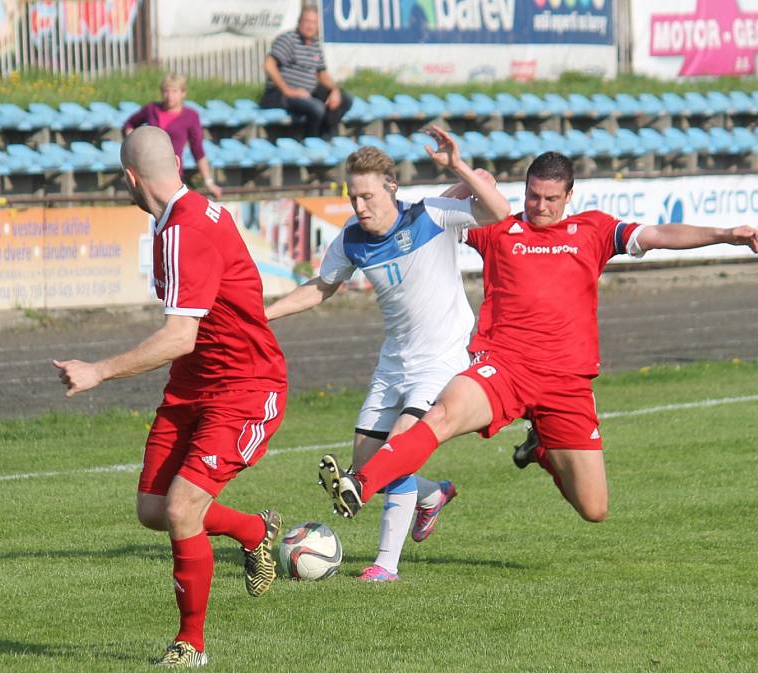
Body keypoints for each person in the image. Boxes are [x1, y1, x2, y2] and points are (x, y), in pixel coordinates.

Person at [318, 151, 758, 525]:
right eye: (533, 195)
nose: (541, 206)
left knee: (594, 509)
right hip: (503, 369)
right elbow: (424, 221)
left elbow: (660, 233)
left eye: (552, 198)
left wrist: (725, 235)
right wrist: (458, 171)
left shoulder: (593, 230)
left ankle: (542, 451)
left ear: (569, 196)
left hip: (566, 383)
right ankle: (362, 483)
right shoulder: (499, 228)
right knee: (443, 414)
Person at [53, 126, 286, 667]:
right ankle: (255, 530)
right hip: (192, 387)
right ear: (176, 163)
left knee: (183, 508)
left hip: (245, 388)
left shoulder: (184, 228)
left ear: (131, 179)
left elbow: (180, 335)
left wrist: (98, 371)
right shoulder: (179, 220)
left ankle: (191, 644)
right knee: (154, 510)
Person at [266, 128, 510, 581]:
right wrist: (265, 315)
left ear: (391, 188)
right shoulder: (351, 239)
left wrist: (457, 167)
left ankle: (385, 566)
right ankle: (432, 494)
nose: (360, 206)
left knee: (397, 449)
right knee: (365, 472)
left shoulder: (431, 216)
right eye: (352, 197)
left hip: (442, 359)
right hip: (393, 363)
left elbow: (499, 211)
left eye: (367, 196)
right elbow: (322, 287)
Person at [124, 72, 223, 200]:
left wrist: (209, 182)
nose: (169, 96)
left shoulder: (191, 116)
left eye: (174, 91)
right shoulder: (151, 109)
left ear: (183, 93)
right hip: (147, 173)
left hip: (173, 175)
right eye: (166, 91)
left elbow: (197, 151)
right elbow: (130, 124)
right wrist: (133, 142)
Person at [260, 5, 353, 139]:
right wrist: (288, 91)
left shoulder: (315, 45)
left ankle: (325, 134)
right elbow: (268, 65)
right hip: (281, 94)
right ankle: (311, 142)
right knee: (316, 108)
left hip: (306, 93)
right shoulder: (288, 39)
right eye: (307, 21)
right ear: (299, 22)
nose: (310, 26)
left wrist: (335, 90)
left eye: (314, 22)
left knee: (345, 99)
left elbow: (322, 75)